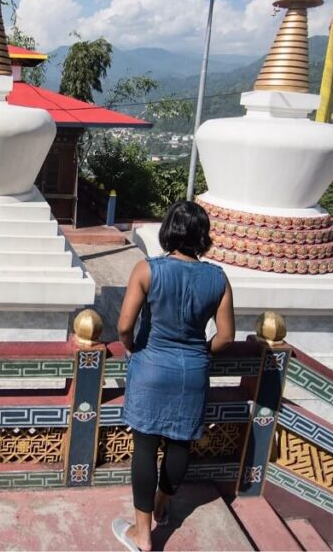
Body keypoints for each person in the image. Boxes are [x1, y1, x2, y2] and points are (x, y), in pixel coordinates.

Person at [111, 201, 235, 552]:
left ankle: (143, 536)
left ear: (168, 231)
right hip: (192, 371)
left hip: (151, 366)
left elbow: (123, 326)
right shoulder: (218, 278)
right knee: (180, 443)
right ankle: (164, 506)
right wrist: (198, 353)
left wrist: (133, 346)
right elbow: (225, 337)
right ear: (203, 236)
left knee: (146, 447)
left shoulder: (146, 270)